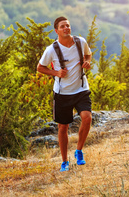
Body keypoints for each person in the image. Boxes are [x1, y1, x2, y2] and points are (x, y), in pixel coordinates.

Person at [37, 16, 92, 172]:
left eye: (68, 25)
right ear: (56, 31)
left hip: (81, 89)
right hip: (62, 93)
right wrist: (56, 72)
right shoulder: (51, 50)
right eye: (63, 26)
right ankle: (64, 162)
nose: (66, 28)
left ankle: (79, 151)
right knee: (63, 128)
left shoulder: (80, 42)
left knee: (87, 118)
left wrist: (87, 62)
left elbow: (88, 54)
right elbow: (40, 67)